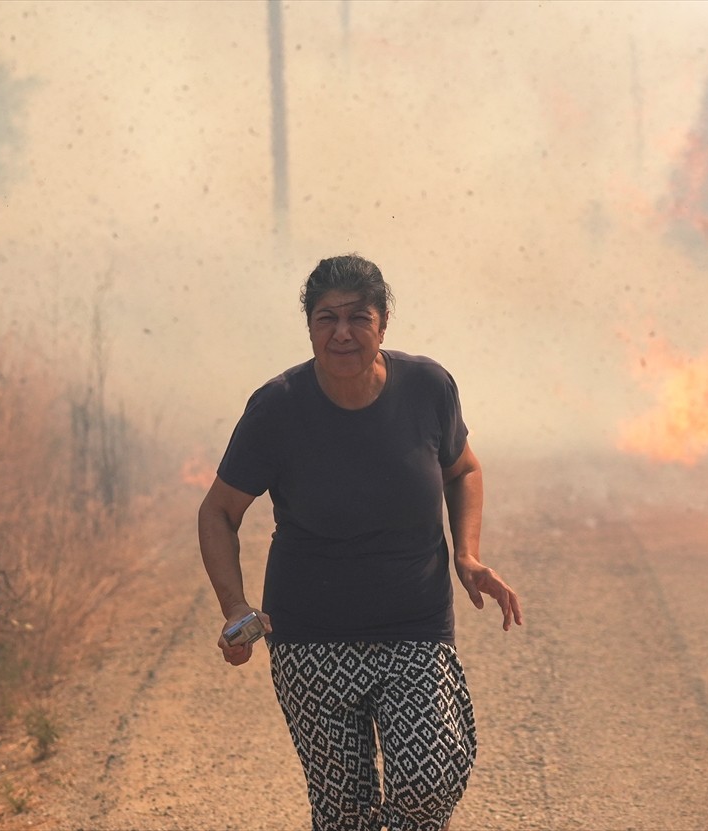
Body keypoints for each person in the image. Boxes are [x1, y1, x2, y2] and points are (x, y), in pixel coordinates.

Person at [198, 253, 521, 831]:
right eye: (326, 318)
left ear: (384, 322)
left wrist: (467, 556)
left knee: (430, 780)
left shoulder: (427, 387)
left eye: (357, 317)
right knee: (343, 811)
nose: (342, 332)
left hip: (413, 627)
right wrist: (235, 609)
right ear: (309, 327)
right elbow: (219, 511)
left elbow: (463, 469)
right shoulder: (278, 407)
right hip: (311, 640)